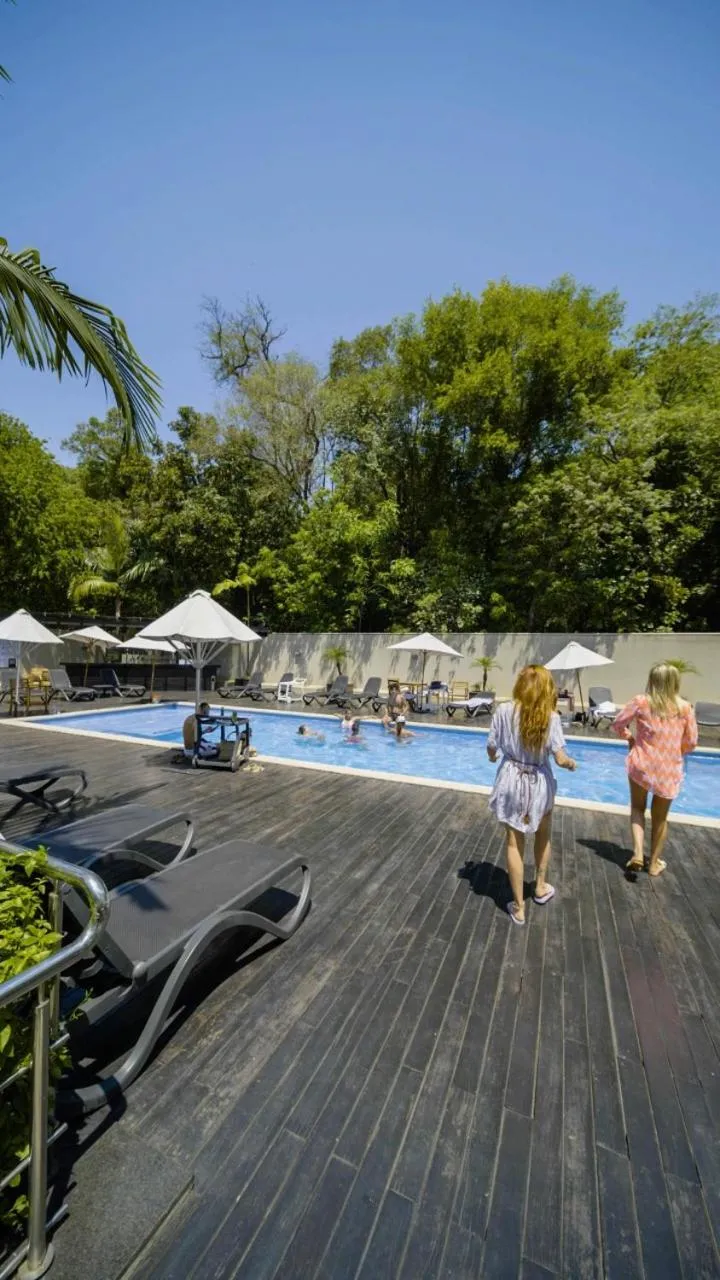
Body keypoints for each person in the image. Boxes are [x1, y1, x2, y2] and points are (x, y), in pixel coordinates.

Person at [487, 666, 576, 925]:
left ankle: (518, 906)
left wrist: (493, 757)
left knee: (514, 842)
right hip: (539, 783)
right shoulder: (551, 717)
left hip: (511, 779)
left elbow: (491, 748)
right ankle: (539, 886)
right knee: (543, 834)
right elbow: (560, 758)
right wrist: (570, 763)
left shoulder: (504, 711)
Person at [612, 663, 698, 876]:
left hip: (642, 764)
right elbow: (692, 742)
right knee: (660, 818)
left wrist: (630, 738)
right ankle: (654, 864)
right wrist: (675, 752)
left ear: (652, 680)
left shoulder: (641, 702)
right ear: (675, 682)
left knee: (638, 809)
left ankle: (638, 854)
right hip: (668, 769)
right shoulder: (685, 708)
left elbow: (617, 724)